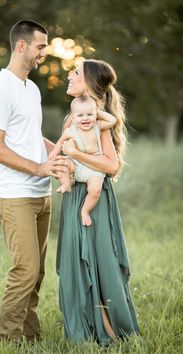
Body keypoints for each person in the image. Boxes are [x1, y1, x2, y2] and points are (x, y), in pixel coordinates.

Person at [0, 20, 66, 343]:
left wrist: (59, 155)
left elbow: (31, 137)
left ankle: (31, 338)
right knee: (26, 270)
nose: (44, 53)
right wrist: (38, 168)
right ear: (21, 46)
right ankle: (7, 341)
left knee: (38, 273)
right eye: (40, 47)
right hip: (14, 196)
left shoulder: (31, 89)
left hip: (40, 195)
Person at [56, 59, 139, 345]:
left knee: (97, 261)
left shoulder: (96, 118)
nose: (70, 75)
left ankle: (110, 333)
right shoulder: (74, 116)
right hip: (73, 195)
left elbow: (111, 166)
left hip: (93, 197)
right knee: (77, 262)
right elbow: (64, 150)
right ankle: (87, 331)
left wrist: (75, 156)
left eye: (76, 72)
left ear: (89, 82)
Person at [50, 95, 116, 226]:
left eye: (89, 114)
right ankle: (66, 183)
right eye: (80, 116)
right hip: (76, 164)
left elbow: (112, 120)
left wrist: (97, 113)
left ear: (95, 115)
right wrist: (54, 152)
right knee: (61, 164)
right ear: (73, 118)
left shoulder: (98, 126)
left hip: (94, 167)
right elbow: (60, 142)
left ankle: (85, 210)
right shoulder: (71, 131)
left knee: (95, 190)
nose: (85, 118)